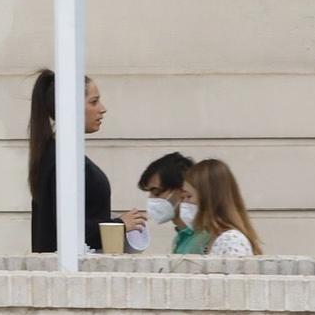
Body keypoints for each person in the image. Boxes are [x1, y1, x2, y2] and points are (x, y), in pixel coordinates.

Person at [28, 69, 145, 253]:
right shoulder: (61, 160)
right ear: (71, 106)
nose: (102, 109)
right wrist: (120, 224)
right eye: (94, 102)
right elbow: (66, 227)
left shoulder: (58, 155)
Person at [185, 158, 262, 257]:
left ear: (208, 199)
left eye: (188, 196)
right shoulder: (211, 238)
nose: (184, 202)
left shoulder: (232, 240)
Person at [136, 151, 209, 254]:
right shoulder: (180, 239)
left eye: (156, 192)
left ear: (182, 189)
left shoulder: (206, 239)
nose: (151, 199)